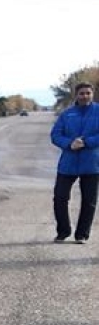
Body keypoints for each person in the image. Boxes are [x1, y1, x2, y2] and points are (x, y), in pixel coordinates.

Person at [50, 82, 99, 243]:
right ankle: (63, 231)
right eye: (81, 93)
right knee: (60, 197)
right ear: (76, 95)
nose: (85, 96)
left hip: (92, 163)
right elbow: (56, 135)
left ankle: (82, 234)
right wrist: (69, 144)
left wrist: (87, 142)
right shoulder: (67, 114)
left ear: (92, 94)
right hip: (68, 163)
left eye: (88, 93)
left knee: (89, 201)